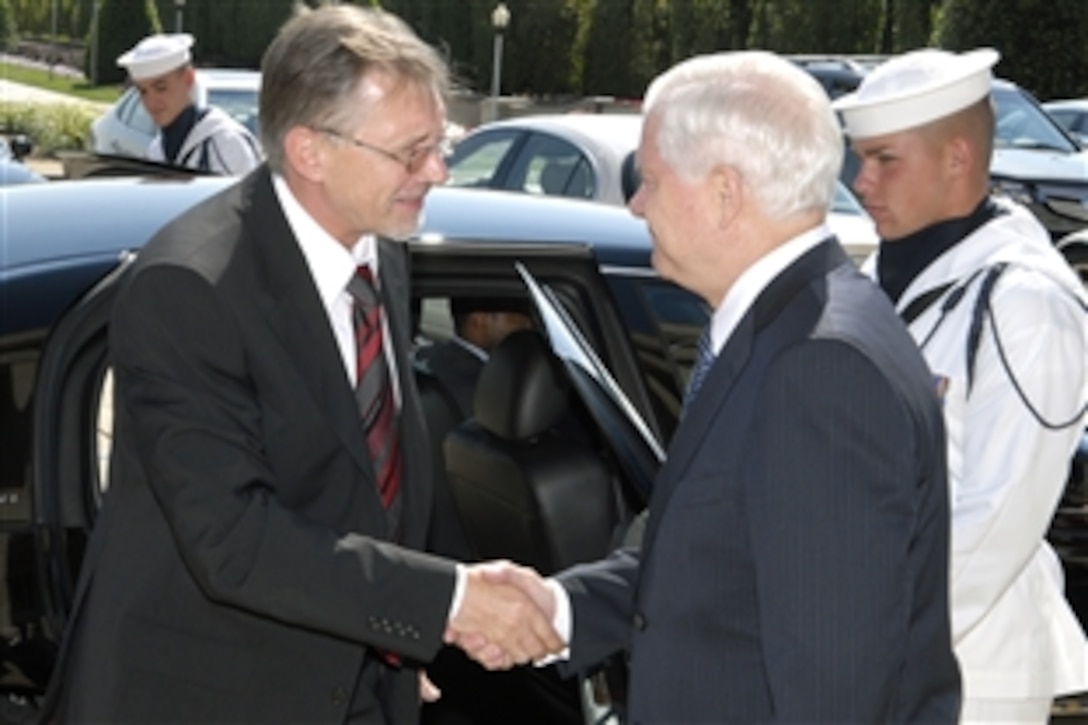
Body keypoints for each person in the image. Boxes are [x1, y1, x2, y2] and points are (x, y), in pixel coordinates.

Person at [39, 6, 562, 722]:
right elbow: (234, 538)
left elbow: (370, 474)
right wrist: (447, 600)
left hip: (355, 681)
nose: (437, 171)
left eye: (438, 143)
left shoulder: (383, 244)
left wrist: (399, 644)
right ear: (311, 151)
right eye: (410, 152)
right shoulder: (190, 289)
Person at [461, 50, 962, 722]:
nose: (636, 204)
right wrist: (560, 606)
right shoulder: (784, 326)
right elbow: (723, 570)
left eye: (652, 181)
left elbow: (835, 690)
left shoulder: (819, 367)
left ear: (726, 193)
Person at [834, 47, 1088, 723]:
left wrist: (864, 640)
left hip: (965, 674)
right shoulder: (896, 275)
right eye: (860, 159)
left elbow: (999, 519)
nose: (862, 182)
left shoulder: (1023, 300)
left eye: (885, 159)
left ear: (956, 157)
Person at [116, 33, 262, 174]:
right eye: (143, 91)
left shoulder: (227, 143)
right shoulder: (156, 151)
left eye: (161, 88)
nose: (151, 102)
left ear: (188, 79)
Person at [415, 296, 534, 417]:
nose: (527, 325)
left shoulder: (425, 356)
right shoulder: (487, 388)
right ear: (480, 319)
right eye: (517, 317)